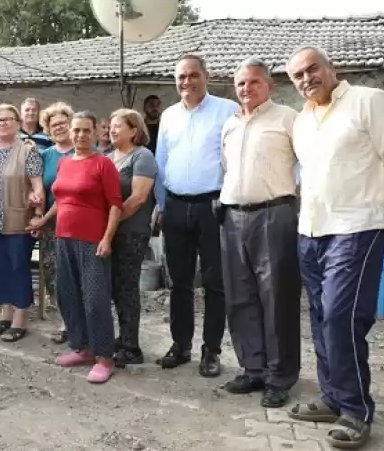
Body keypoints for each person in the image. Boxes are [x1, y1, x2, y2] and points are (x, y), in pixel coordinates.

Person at [285, 46, 384, 449]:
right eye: (298, 75)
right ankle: (332, 397)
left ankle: (355, 409)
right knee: (319, 316)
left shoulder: (370, 101)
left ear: (331, 67)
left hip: (358, 225)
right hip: (313, 229)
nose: (306, 79)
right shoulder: (302, 120)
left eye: (312, 69)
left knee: (340, 316)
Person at [219, 58, 301, 409]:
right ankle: (252, 367)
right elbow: (226, 168)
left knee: (277, 298)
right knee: (240, 297)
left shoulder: (287, 118)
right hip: (232, 216)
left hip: (274, 214)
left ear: (270, 85)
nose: (246, 88)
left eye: (254, 82)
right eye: (241, 83)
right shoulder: (230, 124)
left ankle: (279, 376)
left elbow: (308, 165)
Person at [154, 54, 238, 377]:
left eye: (192, 75)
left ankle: (211, 350)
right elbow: (161, 162)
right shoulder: (169, 116)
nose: (186, 82)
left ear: (206, 76)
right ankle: (181, 345)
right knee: (179, 282)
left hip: (212, 207)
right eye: (181, 77)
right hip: (175, 207)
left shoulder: (226, 110)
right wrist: (162, 205)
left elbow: (234, 160)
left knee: (216, 282)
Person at [51, 111, 122, 384]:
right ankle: (82, 348)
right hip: (63, 238)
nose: (80, 135)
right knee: (67, 296)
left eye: (85, 131)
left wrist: (107, 238)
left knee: (95, 301)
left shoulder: (103, 164)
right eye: (76, 130)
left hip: (93, 241)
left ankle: (105, 357)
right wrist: (43, 220)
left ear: (95, 133)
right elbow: (61, 199)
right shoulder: (64, 163)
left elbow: (115, 204)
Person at [0, 104, 44, 342]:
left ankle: (20, 317)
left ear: (19, 123)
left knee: (18, 266)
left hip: (18, 218)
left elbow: (37, 185)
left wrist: (38, 213)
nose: (3, 123)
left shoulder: (28, 150)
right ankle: (5, 312)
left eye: (9, 119)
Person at [107, 109, 157, 368]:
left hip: (130, 232)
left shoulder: (142, 156)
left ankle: (131, 346)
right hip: (110, 232)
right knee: (114, 287)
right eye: (111, 126)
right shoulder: (108, 157)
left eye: (118, 126)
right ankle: (122, 337)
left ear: (134, 131)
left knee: (127, 287)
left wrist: (111, 224)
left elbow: (137, 198)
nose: (112, 130)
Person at [28, 101, 74, 344]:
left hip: (78, 223)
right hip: (49, 225)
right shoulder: (44, 156)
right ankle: (66, 321)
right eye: (53, 124)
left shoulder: (83, 151)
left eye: (63, 123)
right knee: (52, 274)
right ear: (47, 128)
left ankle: (79, 322)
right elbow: (37, 189)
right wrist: (37, 214)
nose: (59, 128)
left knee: (75, 273)